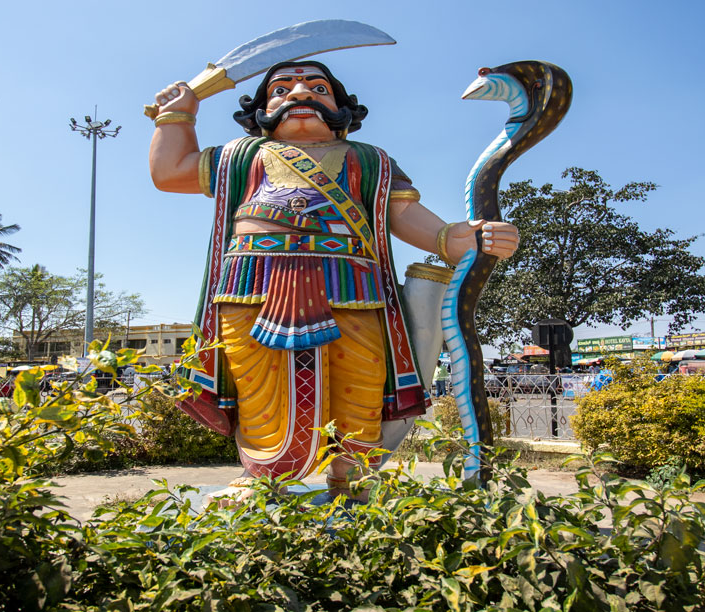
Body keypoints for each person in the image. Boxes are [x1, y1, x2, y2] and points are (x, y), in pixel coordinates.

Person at [149, 61, 521, 497]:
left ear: (342, 109)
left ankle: (353, 477)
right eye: (281, 88)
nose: (299, 92)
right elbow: (170, 172)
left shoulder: (369, 160)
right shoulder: (240, 156)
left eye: (318, 87)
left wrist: (450, 237)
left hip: (351, 285)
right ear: (261, 111)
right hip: (252, 282)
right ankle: (264, 477)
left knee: (359, 381)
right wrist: (177, 115)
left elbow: (400, 213)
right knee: (258, 383)